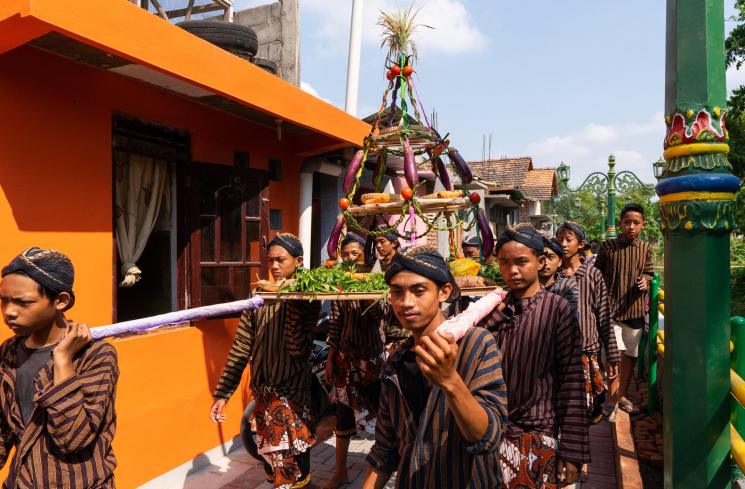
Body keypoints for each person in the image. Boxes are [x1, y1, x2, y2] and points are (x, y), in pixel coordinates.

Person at [362, 246, 508, 489]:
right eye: (397, 292)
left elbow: (488, 437)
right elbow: (384, 452)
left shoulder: (476, 344)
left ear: (444, 292)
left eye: (419, 291)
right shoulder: (395, 364)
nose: (406, 303)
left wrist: (450, 380)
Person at [477, 226, 588, 488]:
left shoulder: (556, 308)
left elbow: (571, 379)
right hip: (492, 434)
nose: (512, 270)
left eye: (521, 262)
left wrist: (573, 452)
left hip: (538, 437)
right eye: (505, 262)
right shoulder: (494, 308)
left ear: (539, 262)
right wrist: (496, 314)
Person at [0, 247, 118, 488]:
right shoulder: (8, 352)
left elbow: (73, 438)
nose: (9, 312)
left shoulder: (95, 355)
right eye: (3, 301)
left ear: (61, 301)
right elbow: (3, 429)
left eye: (23, 303)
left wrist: (63, 360)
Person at [210, 233, 321, 489]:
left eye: (280, 260)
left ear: (298, 261)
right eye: (270, 261)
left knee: (293, 478)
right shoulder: (258, 297)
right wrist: (223, 393)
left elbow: (296, 348)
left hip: (290, 401)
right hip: (263, 399)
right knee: (274, 472)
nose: (273, 267)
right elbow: (241, 347)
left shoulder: (309, 297)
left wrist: (292, 299)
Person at [325, 234, 386, 489]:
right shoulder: (339, 282)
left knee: (383, 418)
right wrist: (330, 358)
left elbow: (382, 314)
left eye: (355, 254)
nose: (350, 259)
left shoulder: (375, 278)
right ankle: (340, 472)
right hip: (345, 362)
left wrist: (365, 293)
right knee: (343, 418)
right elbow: (336, 323)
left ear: (365, 255)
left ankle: (380, 471)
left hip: (371, 362)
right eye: (346, 254)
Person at [556, 222, 619, 426]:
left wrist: (612, 354)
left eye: (568, 239)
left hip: (587, 351)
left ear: (581, 244)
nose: (563, 244)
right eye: (560, 239)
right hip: (559, 353)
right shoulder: (553, 277)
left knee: (589, 410)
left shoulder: (593, 275)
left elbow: (604, 315)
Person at [595, 204, 654, 415]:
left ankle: (622, 395)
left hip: (635, 311)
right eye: (627, 222)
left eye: (636, 223)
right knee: (613, 356)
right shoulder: (607, 247)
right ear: (620, 223)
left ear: (643, 225)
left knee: (630, 355)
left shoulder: (646, 248)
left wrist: (646, 280)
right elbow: (596, 274)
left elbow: (650, 273)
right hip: (610, 311)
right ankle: (612, 398)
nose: (631, 226)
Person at [539, 236, 579, 315]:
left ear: (560, 261)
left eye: (550, 257)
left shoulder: (568, 286)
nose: (545, 263)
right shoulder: (527, 286)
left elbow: (570, 316)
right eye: (541, 257)